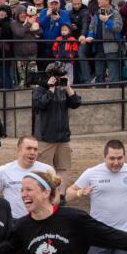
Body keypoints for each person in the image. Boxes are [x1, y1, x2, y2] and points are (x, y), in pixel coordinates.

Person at [0, 136, 52, 254]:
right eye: (29, 148)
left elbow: (54, 198)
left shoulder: (47, 170)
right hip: (15, 224)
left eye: (35, 149)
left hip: (40, 223)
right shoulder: (4, 171)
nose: (32, 152)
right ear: (19, 150)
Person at [32, 62, 81, 196]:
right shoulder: (39, 90)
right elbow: (41, 104)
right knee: (45, 169)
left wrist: (68, 88)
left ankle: (61, 195)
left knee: (63, 167)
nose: (59, 79)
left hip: (63, 137)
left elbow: (76, 103)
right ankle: (47, 194)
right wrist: (50, 89)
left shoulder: (63, 89)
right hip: (46, 137)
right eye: (56, 76)